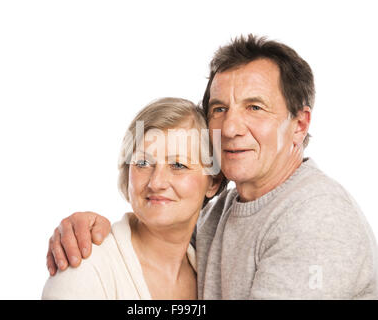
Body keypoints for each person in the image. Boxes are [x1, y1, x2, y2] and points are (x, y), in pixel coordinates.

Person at [46, 35, 378, 299]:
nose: (231, 127)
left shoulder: (317, 220)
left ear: (299, 124)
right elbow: (159, 226)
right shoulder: (217, 211)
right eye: (219, 109)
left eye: (255, 107)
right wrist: (88, 228)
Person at [42, 97, 222, 299]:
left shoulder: (216, 274)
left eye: (178, 165)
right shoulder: (86, 269)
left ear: (213, 182)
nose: (156, 182)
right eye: (143, 163)